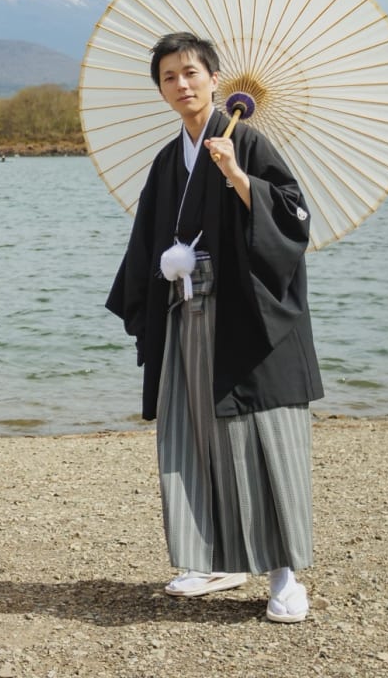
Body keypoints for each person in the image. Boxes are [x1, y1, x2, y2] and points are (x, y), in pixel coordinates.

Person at [106, 32, 323, 624]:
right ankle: (211, 558)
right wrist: (166, 263)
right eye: (169, 76)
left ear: (214, 78)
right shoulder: (166, 158)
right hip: (188, 318)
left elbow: (295, 220)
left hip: (248, 324)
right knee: (194, 435)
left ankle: (284, 575)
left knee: (259, 441)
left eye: (192, 72)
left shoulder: (245, 140)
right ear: (160, 88)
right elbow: (150, 237)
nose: (182, 83)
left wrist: (239, 179)